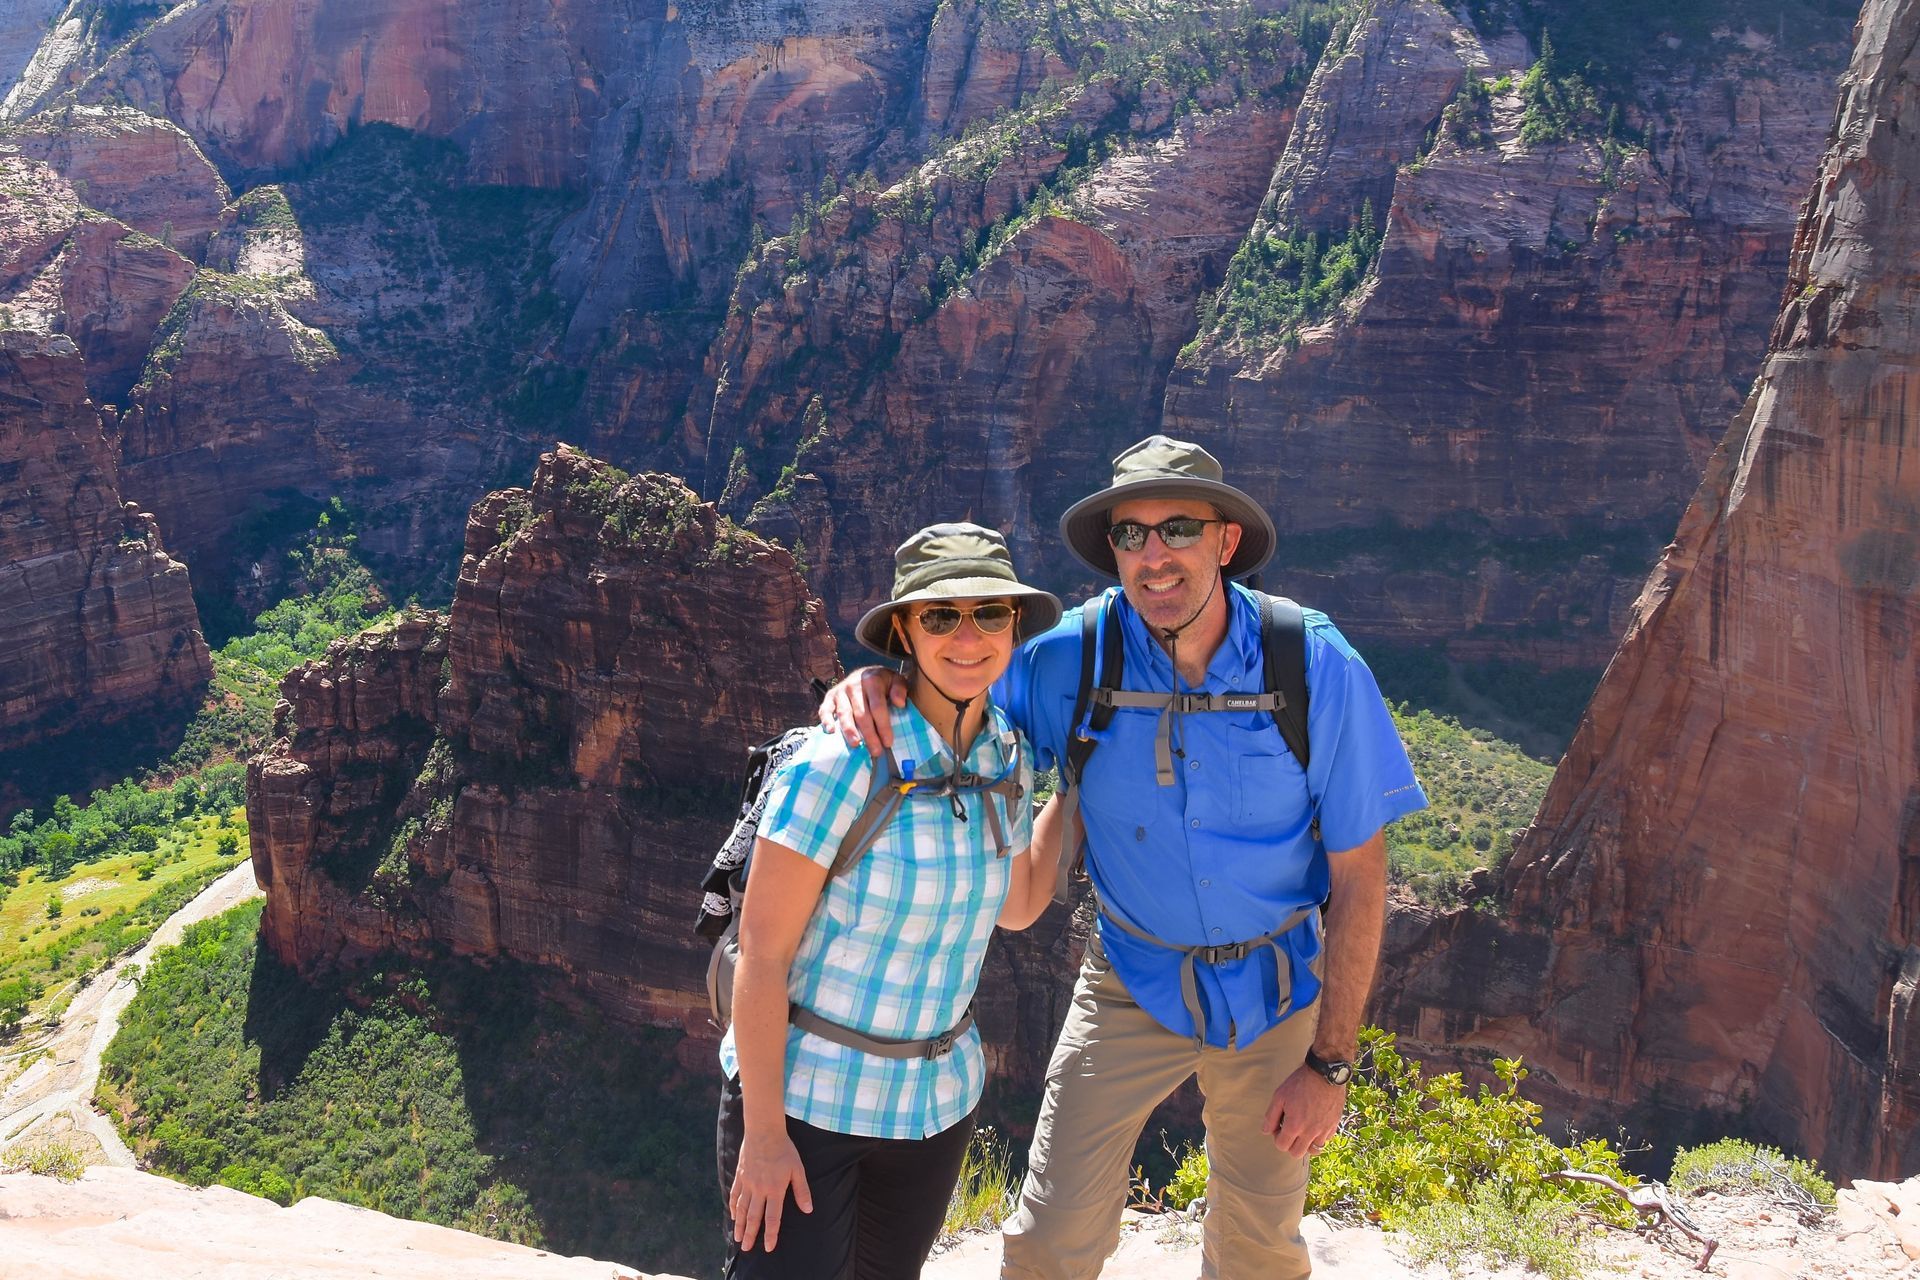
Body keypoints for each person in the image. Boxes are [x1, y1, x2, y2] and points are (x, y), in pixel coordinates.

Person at [821, 436, 1428, 1280]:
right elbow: (953, 678)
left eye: (1179, 528)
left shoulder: (1311, 662)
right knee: (1049, 1237)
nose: (1154, 555)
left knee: (1260, 1246)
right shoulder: (1074, 657)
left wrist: (1329, 1064)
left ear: (1226, 542)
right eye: (1131, 534)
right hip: (1128, 978)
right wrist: (875, 679)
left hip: (1276, 986)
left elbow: (1362, 874)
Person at [719, 522, 1066, 1280]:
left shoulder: (1006, 755)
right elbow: (762, 955)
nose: (967, 636)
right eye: (941, 615)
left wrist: (1079, 784)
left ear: (1014, 623)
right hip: (809, 1108)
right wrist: (765, 1135)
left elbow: (1018, 903)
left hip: (933, 1109)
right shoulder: (840, 760)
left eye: (990, 613)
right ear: (904, 629)